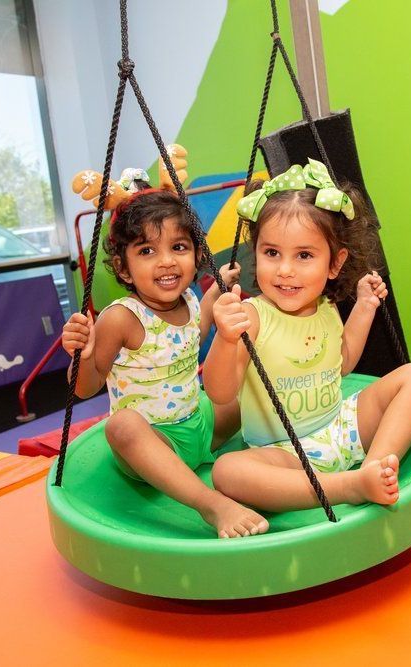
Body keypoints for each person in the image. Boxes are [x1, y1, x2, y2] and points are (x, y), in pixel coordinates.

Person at [203, 158, 411, 513]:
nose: (284, 270)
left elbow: (340, 364)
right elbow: (220, 393)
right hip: (283, 454)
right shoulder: (253, 316)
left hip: (341, 426)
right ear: (257, 253)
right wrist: (225, 338)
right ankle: (348, 486)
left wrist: (364, 307)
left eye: (304, 255)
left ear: (335, 263)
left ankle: (376, 465)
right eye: (271, 253)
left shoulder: (326, 307)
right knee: (229, 471)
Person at [62, 183, 268, 538]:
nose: (167, 260)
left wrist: (219, 287)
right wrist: (85, 354)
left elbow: (194, 334)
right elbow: (87, 387)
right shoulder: (123, 318)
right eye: (146, 251)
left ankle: (288, 450)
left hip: (201, 425)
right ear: (123, 269)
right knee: (122, 426)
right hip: (155, 443)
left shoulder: (189, 297)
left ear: (195, 254)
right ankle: (211, 504)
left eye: (178, 247)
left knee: (251, 380)